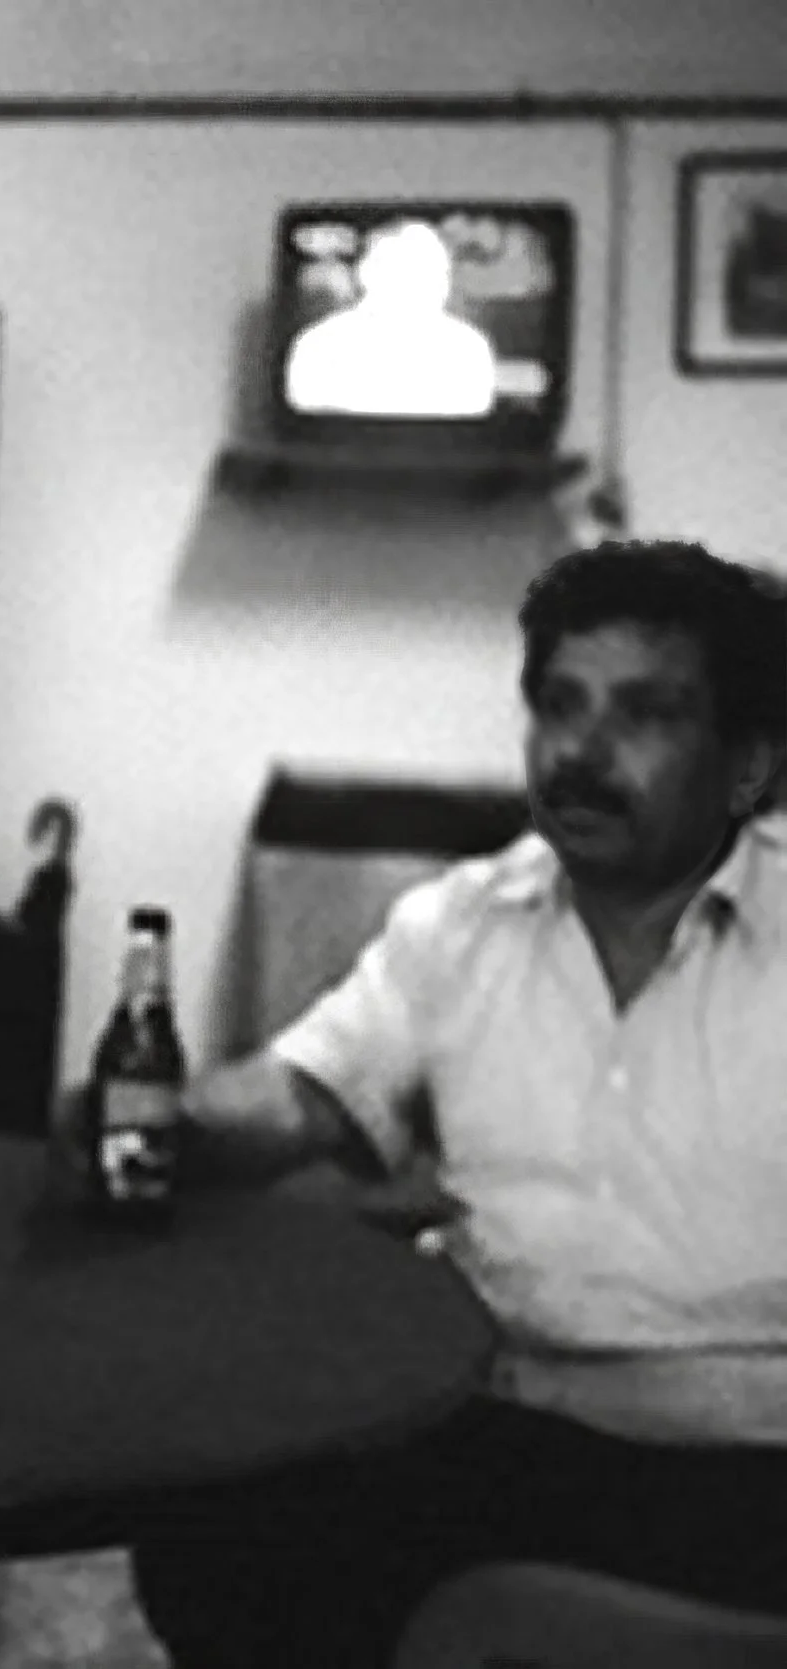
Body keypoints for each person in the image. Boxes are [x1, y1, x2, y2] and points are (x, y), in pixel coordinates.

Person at [128, 539, 787, 1669]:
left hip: (745, 1464)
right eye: (557, 705)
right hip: (495, 1416)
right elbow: (301, 1092)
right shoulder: (460, 927)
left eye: (643, 713)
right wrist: (161, 1118)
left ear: (744, 766)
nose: (581, 751)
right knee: (213, 1529)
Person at [285, 218, 498, 419]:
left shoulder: (469, 348)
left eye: (438, 272)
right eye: (410, 270)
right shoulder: (318, 344)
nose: (429, 284)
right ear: (367, 273)